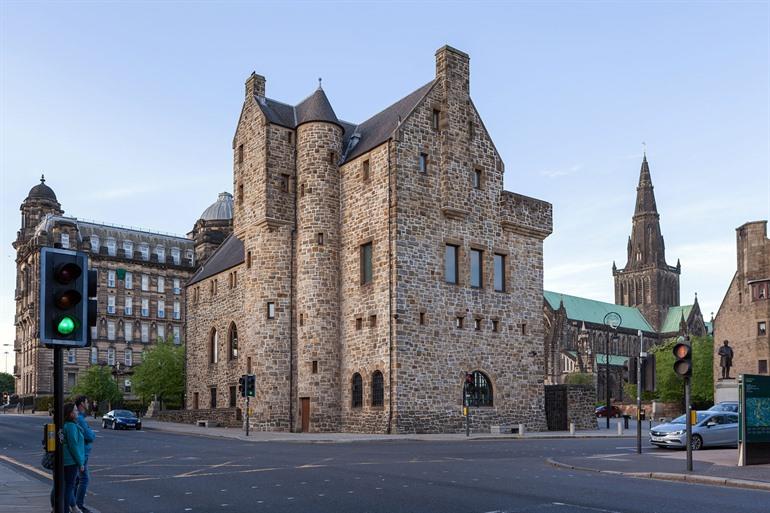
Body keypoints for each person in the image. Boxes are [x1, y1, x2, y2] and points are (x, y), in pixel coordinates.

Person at [62, 402, 85, 513]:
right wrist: (80, 463)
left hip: (64, 460)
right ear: (70, 414)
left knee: (66, 486)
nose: (77, 412)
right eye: (75, 410)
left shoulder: (65, 424)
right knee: (69, 487)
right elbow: (74, 446)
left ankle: (66, 508)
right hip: (70, 461)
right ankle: (66, 509)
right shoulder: (71, 426)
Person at [74, 396, 95, 513]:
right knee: (84, 479)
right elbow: (90, 436)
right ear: (82, 404)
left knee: (76, 480)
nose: (88, 403)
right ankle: (78, 505)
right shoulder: (80, 419)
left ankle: (73, 504)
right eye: (86, 402)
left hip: (81, 452)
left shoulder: (80, 418)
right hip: (82, 453)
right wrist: (92, 433)